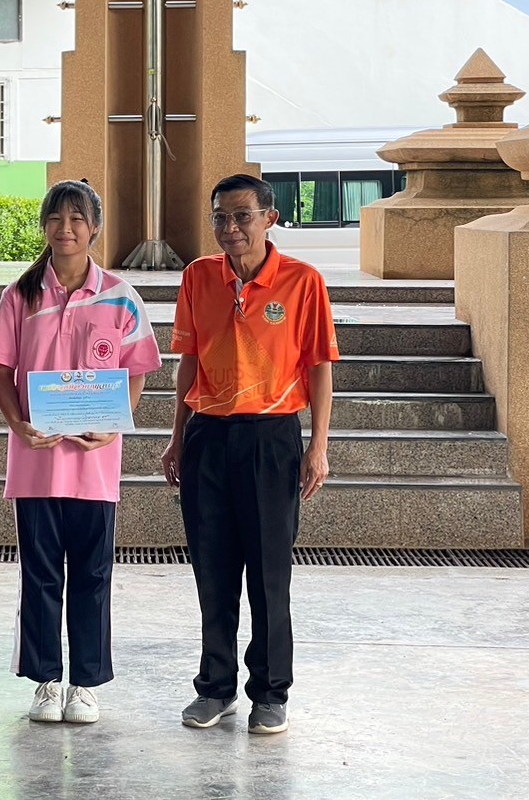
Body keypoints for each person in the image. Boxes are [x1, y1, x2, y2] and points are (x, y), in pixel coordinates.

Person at [162, 174, 338, 736]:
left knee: (268, 574)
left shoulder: (302, 281)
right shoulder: (198, 276)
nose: (230, 227)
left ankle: (270, 691)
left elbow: (319, 366)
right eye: (220, 217)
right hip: (207, 437)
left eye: (242, 216)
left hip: (271, 438)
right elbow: (189, 360)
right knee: (212, 572)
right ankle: (214, 689)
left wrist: (318, 446)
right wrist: (177, 436)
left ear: (270, 218)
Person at [0, 180, 162, 725]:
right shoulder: (21, 295)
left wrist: (114, 425)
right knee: (39, 575)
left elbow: (136, 371)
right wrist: (17, 425)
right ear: (44, 225)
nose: (66, 229)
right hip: (36, 464)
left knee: (92, 575)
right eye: (56, 218)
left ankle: (85, 684)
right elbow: (2, 373)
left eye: (77, 219)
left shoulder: (120, 296)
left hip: (94, 466)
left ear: (95, 228)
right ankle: (45, 681)